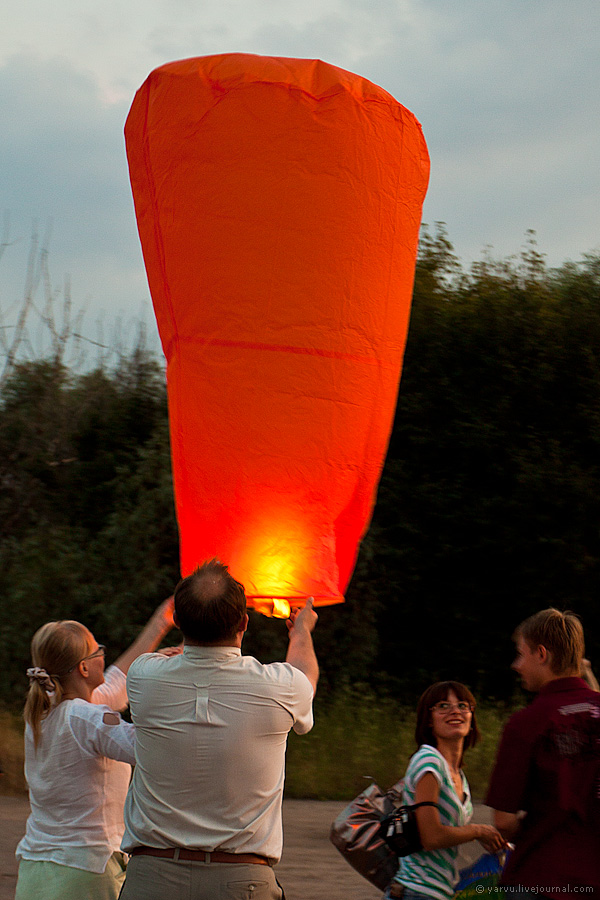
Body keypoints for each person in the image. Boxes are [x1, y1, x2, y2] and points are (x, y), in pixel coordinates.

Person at [119, 558, 318, 900]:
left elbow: (168, 662)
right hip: (244, 882)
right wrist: (301, 631)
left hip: (151, 879)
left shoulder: (143, 677)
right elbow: (304, 676)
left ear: (178, 621)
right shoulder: (280, 687)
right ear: (244, 622)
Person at [15, 598, 175, 900]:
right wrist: (170, 681)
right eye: (97, 650)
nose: (104, 654)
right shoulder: (86, 718)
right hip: (86, 872)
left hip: (36, 872)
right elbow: (150, 747)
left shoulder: (43, 713)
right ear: (84, 667)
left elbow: (117, 683)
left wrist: (162, 622)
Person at [486, 608, 600, 899]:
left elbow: (503, 821)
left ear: (541, 654)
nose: (516, 665)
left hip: (542, 876)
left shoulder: (527, 723)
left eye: (521, 654)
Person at [384, 681, 505, 900]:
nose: (455, 711)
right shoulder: (429, 762)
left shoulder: (458, 774)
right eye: (443, 706)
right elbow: (431, 837)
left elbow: (450, 839)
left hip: (439, 891)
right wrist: (479, 831)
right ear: (429, 719)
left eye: (462, 705)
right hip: (417, 891)